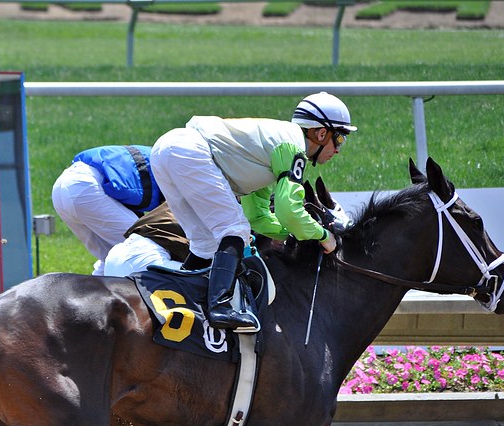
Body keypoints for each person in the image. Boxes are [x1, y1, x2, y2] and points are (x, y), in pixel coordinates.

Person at [150, 91, 354, 332]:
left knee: (204, 243)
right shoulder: (293, 148)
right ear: (321, 133)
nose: (339, 149)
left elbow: (257, 216)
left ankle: (177, 296)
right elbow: (289, 210)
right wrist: (323, 236)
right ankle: (220, 307)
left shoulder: (270, 151)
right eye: (339, 139)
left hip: (165, 150)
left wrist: (293, 236)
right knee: (234, 230)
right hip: (188, 151)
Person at [51, 144, 164, 276]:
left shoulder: (163, 156)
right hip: (86, 186)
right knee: (147, 246)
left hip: (63, 186)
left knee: (110, 256)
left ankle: (90, 295)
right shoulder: (175, 166)